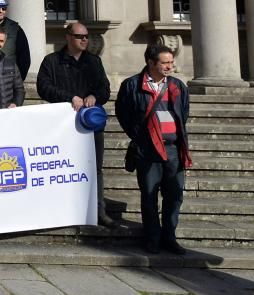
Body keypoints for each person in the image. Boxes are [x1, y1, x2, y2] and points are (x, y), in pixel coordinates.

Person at [115, 45, 191, 255]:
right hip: (148, 150)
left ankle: (169, 237)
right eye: (165, 62)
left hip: (174, 148)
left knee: (174, 195)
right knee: (149, 195)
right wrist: (141, 137)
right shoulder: (131, 85)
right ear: (151, 62)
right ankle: (152, 238)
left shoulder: (177, 86)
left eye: (171, 62)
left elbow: (183, 113)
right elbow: (123, 114)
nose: (170, 66)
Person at [38, 23, 115, 227]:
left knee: (95, 168)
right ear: (68, 37)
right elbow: (43, 87)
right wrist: (68, 97)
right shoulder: (52, 61)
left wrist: (93, 96)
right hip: (63, 126)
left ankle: (99, 210)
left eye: (86, 37)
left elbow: (104, 89)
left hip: (91, 125)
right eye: (80, 36)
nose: (84, 40)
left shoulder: (94, 62)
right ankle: (62, 211)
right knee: (61, 167)